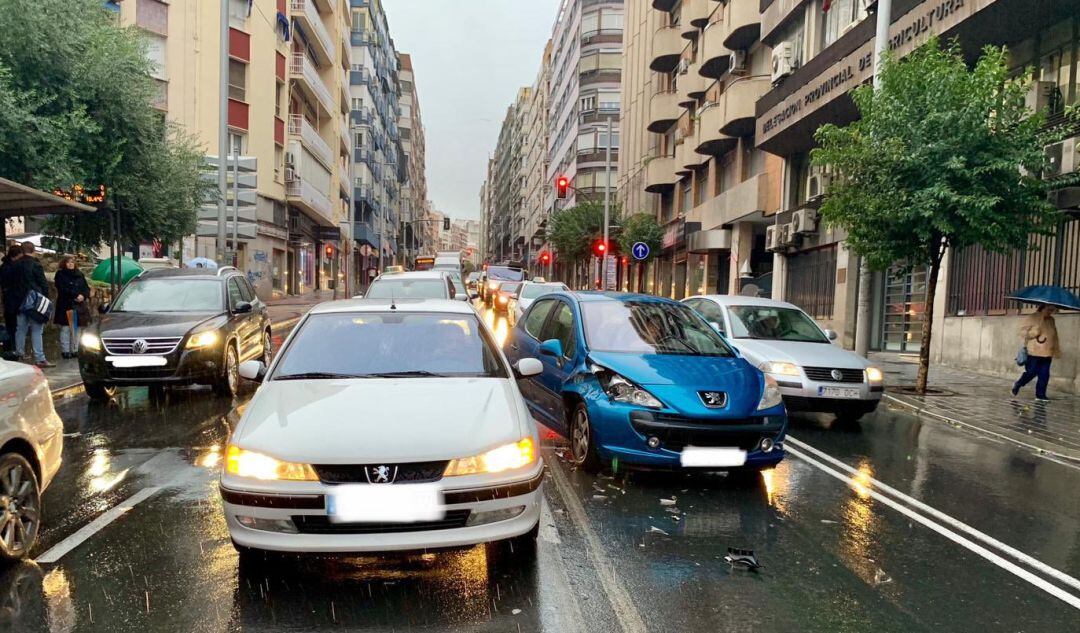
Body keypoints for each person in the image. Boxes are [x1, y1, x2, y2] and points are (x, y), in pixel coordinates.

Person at [12, 242, 53, 368]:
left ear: (22, 251)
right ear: (33, 250)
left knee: (20, 330)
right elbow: (43, 284)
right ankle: (40, 359)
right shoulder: (36, 265)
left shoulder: (15, 265)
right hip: (34, 302)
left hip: (19, 302)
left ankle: (19, 354)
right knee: (36, 330)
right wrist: (46, 299)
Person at [1012, 305, 1060, 401]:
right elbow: (1022, 332)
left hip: (1047, 352)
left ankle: (1040, 395)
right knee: (1031, 372)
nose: (1050, 312)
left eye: (1052, 310)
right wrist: (1034, 332)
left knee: (1044, 374)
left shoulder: (1051, 320)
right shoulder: (1033, 317)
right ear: (1042, 308)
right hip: (1034, 352)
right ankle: (1019, 383)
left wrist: (1055, 349)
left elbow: (1054, 335)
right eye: (1048, 310)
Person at [53, 255, 91, 359]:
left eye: (72, 262)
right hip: (65, 305)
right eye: (68, 262)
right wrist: (75, 295)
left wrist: (83, 296)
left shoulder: (79, 275)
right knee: (65, 328)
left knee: (76, 329)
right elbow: (61, 289)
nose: (70, 264)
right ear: (64, 263)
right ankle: (65, 351)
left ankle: (75, 350)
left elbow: (86, 288)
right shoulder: (60, 274)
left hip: (78, 306)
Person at [0, 245, 24, 358]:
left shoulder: (5, 266)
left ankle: (12, 349)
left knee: (12, 326)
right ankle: (13, 350)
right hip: (13, 300)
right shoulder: (14, 267)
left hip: (9, 300)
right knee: (14, 327)